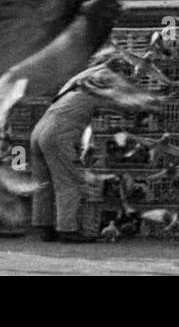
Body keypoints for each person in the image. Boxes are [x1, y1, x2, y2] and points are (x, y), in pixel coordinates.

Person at [30, 60, 131, 243]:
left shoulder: (78, 87)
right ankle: (67, 231)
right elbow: (120, 106)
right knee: (69, 182)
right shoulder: (100, 87)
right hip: (58, 134)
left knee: (44, 185)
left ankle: (43, 227)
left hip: (38, 130)